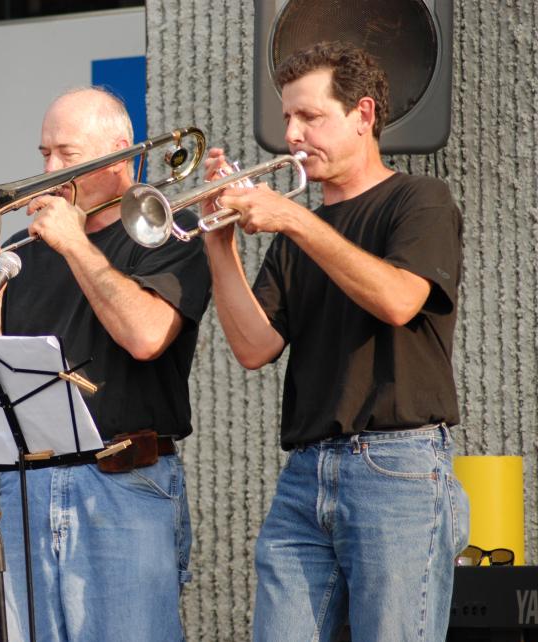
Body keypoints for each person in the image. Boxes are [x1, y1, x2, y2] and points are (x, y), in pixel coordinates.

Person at [201, 41, 469, 641]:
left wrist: (294, 218)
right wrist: (218, 242)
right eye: (288, 119)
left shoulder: (419, 199)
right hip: (305, 472)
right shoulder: (295, 231)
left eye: (311, 117)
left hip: (395, 464)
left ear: (363, 115)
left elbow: (399, 299)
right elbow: (253, 347)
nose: (293, 135)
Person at [0, 87, 211, 642]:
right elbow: (7, 397)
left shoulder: (169, 232)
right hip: (30, 485)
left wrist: (76, 245)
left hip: (124, 487)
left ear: (121, 154)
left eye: (66, 155)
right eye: (44, 154)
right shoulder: (24, 257)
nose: (48, 170)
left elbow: (147, 336)